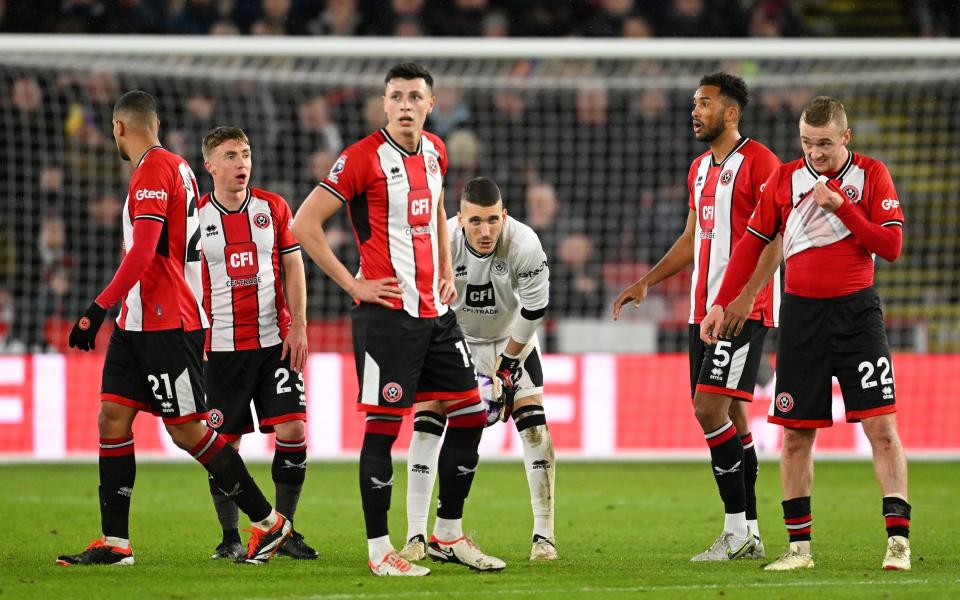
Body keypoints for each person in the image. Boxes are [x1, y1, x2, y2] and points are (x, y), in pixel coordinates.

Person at [57, 91, 291, 567]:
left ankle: (270, 524)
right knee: (112, 419)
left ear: (120, 128)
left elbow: (143, 252)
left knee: (188, 432)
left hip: (167, 321)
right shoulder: (179, 167)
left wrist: (96, 308)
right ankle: (115, 543)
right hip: (137, 321)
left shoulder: (152, 170)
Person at [292, 63, 505, 576]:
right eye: (397, 96)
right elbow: (303, 223)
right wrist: (354, 284)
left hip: (435, 312)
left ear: (430, 105)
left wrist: (445, 271)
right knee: (384, 430)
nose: (406, 105)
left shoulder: (436, 151)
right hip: (386, 316)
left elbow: (433, 209)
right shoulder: (360, 158)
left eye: (415, 96)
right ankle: (378, 549)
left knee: (473, 415)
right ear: (384, 105)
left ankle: (448, 534)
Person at [700, 96, 910, 571]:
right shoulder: (785, 178)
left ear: (846, 139)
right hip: (800, 319)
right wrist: (720, 303)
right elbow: (751, 245)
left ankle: (898, 542)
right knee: (795, 435)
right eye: (807, 143)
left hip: (857, 316)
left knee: (882, 428)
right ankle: (799, 550)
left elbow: (891, 245)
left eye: (825, 145)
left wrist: (843, 209)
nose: (815, 154)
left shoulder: (872, 175)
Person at [613, 73, 782, 561]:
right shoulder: (699, 169)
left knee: (708, 410)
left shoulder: (760, 162)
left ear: (731, 113)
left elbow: (775, 238)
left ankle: (735, 532)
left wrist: (747, 298)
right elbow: (693, 239)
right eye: (694, 103)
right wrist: (648, 279)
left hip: (737, 311)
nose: (695, 111)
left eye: (705, 103)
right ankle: (749, 530)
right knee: (730, 414)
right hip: (699, 311)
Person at [399, 176, 554, 563]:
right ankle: (416, 534)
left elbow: (534, 308)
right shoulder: (441, 243)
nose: (485, 231)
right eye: (475, 222)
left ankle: (544, 537)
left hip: (511, 338)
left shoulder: (524, 242)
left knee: (535, 427)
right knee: (428, 418)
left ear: (504, 216)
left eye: (492, 220)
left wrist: (507, 367)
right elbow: (421, 303)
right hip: (455, 338)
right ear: (460, 218)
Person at [196, 126, 316, 561]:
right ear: (209, 165)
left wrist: (298, 324)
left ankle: (282, 532)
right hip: (219, 350)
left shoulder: (273, 207)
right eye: (230, 156)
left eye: (245, 154)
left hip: (274, 344)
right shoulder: (194, 216)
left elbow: (293, 267)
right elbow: (183, 281)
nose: (241, 163)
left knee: (295, 429)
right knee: (223, 446)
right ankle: (230, 537)